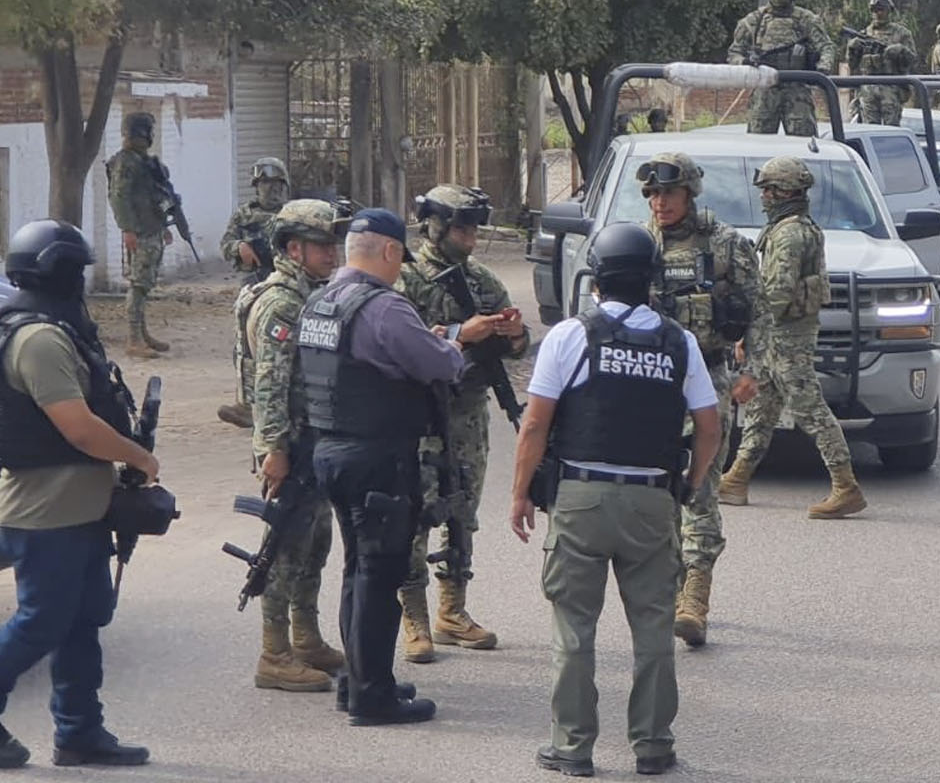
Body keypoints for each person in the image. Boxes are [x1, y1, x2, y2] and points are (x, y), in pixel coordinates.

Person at [510, 223, 721, 778]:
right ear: (651, 280)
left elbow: (535, 425)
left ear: (596, 278)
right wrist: (690, 484)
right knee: (653, 628)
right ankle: (653, 745)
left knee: (574, 628)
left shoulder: (570, 336)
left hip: (580, 497)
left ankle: (572, 747)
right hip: (653, 499)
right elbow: (709, 426)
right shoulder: (679, 341)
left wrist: (519, 494)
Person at [0, 221, 158, 770]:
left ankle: (80, 731)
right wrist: (139, 457)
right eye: (76, 270)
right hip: (44, 512)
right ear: (56, 272)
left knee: (83, 616)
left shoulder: (56, 328)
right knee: (43, 619)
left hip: (76, 506)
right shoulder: (37, 338)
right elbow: (78, 427)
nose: (81, 280)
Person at [299, 208, 473, 726]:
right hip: (377, 457)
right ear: (391, 252)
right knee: (380, 574)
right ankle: (372, 697)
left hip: (330, 451)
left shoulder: (320, 301)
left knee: (358, 569)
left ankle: (359, 681)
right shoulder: (384, 307)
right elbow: (439, 364)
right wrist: (453, 343)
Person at [396, 185, 529, 661]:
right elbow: (396, 340)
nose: (470, 238)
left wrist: (513, 334)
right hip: (419, 416)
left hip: (468, 415)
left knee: (463, 514)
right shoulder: (405, 280)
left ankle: (453, 610)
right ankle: (414, 617)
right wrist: (457, 333)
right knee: (416, 515)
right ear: (433, 225)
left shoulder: (481, 281)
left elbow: (516, 347)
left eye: (474, 229)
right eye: (460, 228)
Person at [638, 153, 759, 646]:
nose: (659, 202)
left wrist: (752, 371)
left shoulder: (726, 244)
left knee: (700, 487)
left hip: (706, 378)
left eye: (668, 193)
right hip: (650, 383)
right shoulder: (636, 245)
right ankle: (663, 592)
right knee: (653, 494)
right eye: (652, 195)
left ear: (689, 192)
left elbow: (759, 314)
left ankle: (695, 599)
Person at [716, 157, 867, 519]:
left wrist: (749, 335)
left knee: (809, 409)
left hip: (786, 338)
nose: (764, 197)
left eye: (769, 190)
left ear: (786, 192)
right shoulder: (793, 227)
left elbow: (776, 295)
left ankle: (845, 486)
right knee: (762, 408)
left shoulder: (789, 233)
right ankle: (737, 478)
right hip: (782, 335)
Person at [240, 199, 350, 693]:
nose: (334, 253)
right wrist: (272, 451)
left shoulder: (310, 293)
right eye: (323, 245)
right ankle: (274, 652)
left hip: (311, 443)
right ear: (293, 247)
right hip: (290, 445)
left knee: (315, 544)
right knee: (284, 549)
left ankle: (306, 637)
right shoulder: (282, 302)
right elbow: (269, 383)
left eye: (334, 244)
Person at [218, 158, 293, 430]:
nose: (269, 190)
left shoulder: (291, 214)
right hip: (254, 283)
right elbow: (225, 244)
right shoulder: (243, 216)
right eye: (264, 184)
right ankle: (247, 404)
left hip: (287, 284)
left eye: (275, 184)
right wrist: (239, 247)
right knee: (245, 346)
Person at [726, 0, 834, 136]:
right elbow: (734, 53)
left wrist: (822, 67)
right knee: (758, 142)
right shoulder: (753, 21)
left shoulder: (807, 20)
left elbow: (826, 47)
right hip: (765, 89)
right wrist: (744, 62)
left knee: (803, 141)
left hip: (797, 88)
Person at [104, 111, 172, 359]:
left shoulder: (144, 162)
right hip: (140, 231)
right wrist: (128, 229)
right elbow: (118, 198)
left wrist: (165, 225)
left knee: (145, 283)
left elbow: (155, 196)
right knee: (138, 285)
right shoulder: (126, 162)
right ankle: (134, 339)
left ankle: (142, 334)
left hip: (151, 228)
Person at [851, 0, 918, 126]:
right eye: (874, 10)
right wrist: (852, 49)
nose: (877, 14)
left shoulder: (902, 33)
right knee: (869, 127)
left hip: (891, 86)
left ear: (889, 11)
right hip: (868, 87)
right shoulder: (864, 34)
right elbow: (853, 64)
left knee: (891, 126)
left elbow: (913, 61)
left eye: (881, 10)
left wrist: (901, 50)